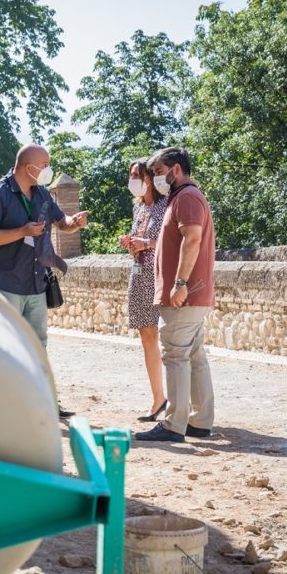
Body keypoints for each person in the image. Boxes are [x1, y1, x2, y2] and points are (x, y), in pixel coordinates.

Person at [0, 144, 89, 418]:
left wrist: (75, 222)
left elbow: (62, 224)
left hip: (36, 283)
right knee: (4, 344)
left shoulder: (41, 194)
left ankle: (46, 400)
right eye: (45, 163)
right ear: (29, 167)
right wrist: (22, 231)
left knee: (39, 344)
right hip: (5, 283)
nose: (49, 169)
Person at [134, 147, 216, 443]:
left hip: (185, 293)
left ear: (176, 169)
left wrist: (180, 283)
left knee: (176, 355)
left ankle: (174, 424)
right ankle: (200, 420)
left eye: (158, 172)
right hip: (192, 292)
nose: (155, 178)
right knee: (194, 355)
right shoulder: (182, 197)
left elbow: (192, 239)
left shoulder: (187, 197)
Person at [118, 158, 168, 422]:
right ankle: (158, 398)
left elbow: (172, 241)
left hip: (159, 276)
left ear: (149, 178)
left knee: (169, 339)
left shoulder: (166, 205)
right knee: (146, 336)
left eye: (136, 175)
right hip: (138, 276)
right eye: (131, 175)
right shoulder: (138, 208)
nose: (132, 180)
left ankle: (177, 399)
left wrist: (146, 243)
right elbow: (140, 239)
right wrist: (131, 243)